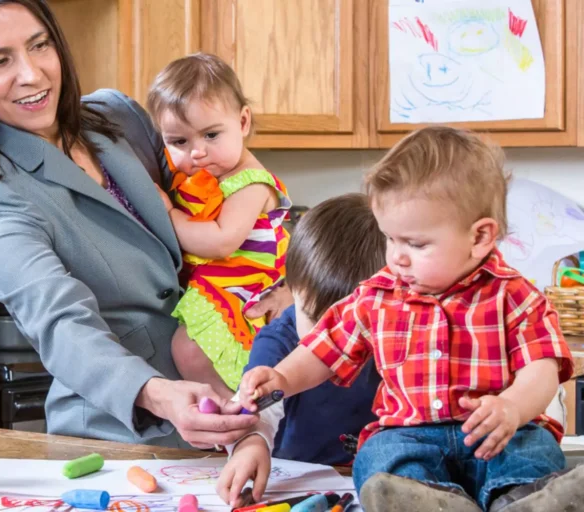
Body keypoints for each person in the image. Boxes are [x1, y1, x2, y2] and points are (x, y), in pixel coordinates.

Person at [0, 0, 300, 448]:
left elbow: (226, 184)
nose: (31, 74)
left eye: (39, 45)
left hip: (228, 398)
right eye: (0, 61)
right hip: (122, 435)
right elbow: (61, 324)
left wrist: (288, 285)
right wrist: (158, 394)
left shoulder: (118, 116)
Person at [239, 126, 581, 512]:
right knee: (380, 455)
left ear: (480, 237)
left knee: (532, 448)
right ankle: (431, 503)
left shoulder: (515, 296)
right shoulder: (376, 295)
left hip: (495, 433)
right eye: (391, 239)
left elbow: (542, 371)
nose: (397, 257)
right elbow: (324, 350)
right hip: (411, 436)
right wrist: (283, 378)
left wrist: (513, 408)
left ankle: (519, 500)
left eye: (415, 244)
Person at [217, 194, 385, 506]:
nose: (329, 338)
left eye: (352, 329)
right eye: (313, 318)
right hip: (296, 482)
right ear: (291, 287)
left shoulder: (392, 336)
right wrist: (250, 444)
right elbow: (256, 406)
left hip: (372, 480)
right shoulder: (277, 341)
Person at [146, 53, 291, 397]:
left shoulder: (250, 182)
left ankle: (234, 408)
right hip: (219, 286)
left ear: (242, 122)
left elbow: (221, 241)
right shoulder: (202, 177)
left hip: (244, 291)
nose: (197, 152)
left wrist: (169, 214)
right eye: (179, 142)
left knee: (189, 347)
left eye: (211, 134)